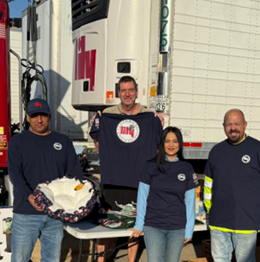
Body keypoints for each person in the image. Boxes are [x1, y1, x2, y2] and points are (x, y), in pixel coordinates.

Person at [90, 75, 164, 262]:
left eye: (131, 90)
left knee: (134, 224)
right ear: (119, 93)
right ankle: (101, 260)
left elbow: (158, 146)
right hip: (112, 178)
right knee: (106, 223)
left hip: (139, 179)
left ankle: (131, 261)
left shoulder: (149, 116)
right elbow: (98, 144)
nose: (127, 94)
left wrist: (157, 123)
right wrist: (98, 122)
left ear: (137, 92)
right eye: (123, 91)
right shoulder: (107, 114)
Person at [8, 98, 83, 262]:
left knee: (51, 259)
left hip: (55, 214)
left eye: (43, 115)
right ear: (28, 117)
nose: (39, 120)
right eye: (34, 116)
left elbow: (75, 173)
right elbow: (15, 173)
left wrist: (75, 198)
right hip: (26, 213)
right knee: (20, 259)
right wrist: (29, 196)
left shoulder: (63, 141)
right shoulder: (18, 142)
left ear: (49, 116)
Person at [204, 109, 260, 262]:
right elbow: (207, 185)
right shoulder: (216, 151)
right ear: (223, 126)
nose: (233, 128)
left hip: (246, 222)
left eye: (237, 124)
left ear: (245, 125)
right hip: (219, 222)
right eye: (229, 124)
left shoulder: (259, 150)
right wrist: (210, 210)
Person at [129, 126, 198, 262]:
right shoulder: (150, 166)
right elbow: (142, 197)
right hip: (154, 225)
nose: (171, 145)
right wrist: (139, 224)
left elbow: (190, 202)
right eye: (167, 141)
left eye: (175, 141)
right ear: (162, 143)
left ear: (180, 143)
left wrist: (189, 229)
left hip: (177, 227)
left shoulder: (187, 168)